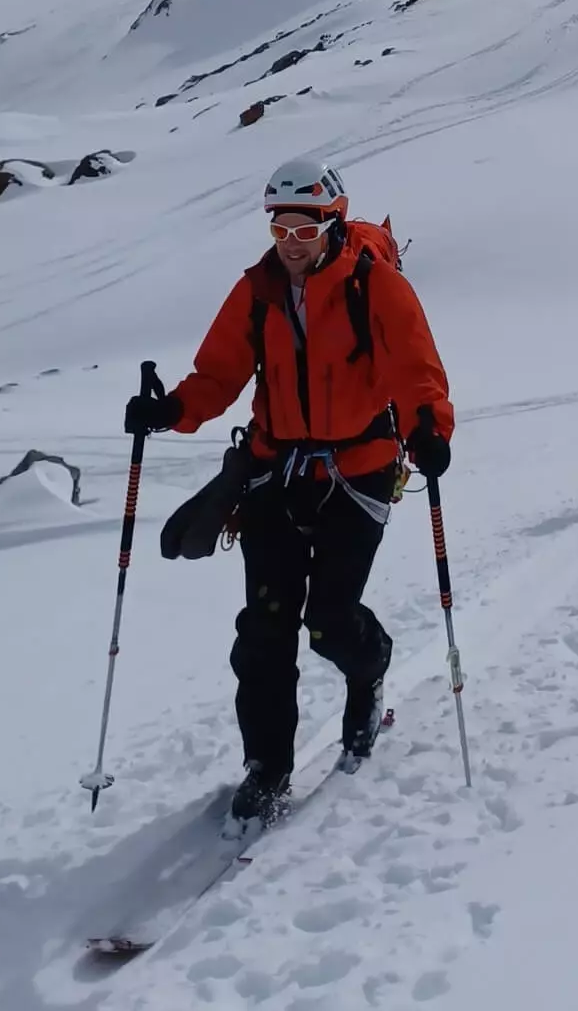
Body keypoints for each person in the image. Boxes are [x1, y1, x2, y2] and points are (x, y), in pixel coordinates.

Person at [124, 155, 454, 824]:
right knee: (264, 629)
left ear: (332, 223)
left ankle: (370, 667)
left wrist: (429, 430)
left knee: (331, 623)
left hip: (360, 469)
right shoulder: (258, 292)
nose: (293, 243)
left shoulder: (375, 288)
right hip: (278, 470)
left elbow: (418, 370)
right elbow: (218, 374)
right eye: (281, 230)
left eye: (305, 228)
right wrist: (170, 411)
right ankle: (267, 767)